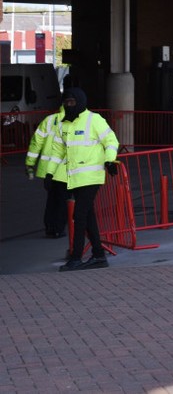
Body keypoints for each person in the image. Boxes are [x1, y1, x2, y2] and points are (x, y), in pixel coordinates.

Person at [46, 87, 120, 272]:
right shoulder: (63, 125)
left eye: (72, 102)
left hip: (91, 177)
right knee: (87, 216)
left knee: (78, 215)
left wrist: (110, 160)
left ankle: (77, 257)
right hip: (75, 178)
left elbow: (111, 140)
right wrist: (49, 173)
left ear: (80, 102)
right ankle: (98, 255)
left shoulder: (94, 120)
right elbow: (57, 152)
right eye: (66, 102)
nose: (69, 106)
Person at [25, 102, 71, 238]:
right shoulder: (76, 121)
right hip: (65, 169)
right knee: (64, 200)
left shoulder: (49, 120)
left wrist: (29, 163)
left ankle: (50, 228)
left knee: (52, 199)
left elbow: (36, 142)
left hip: (47, 169)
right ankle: (58, 228)